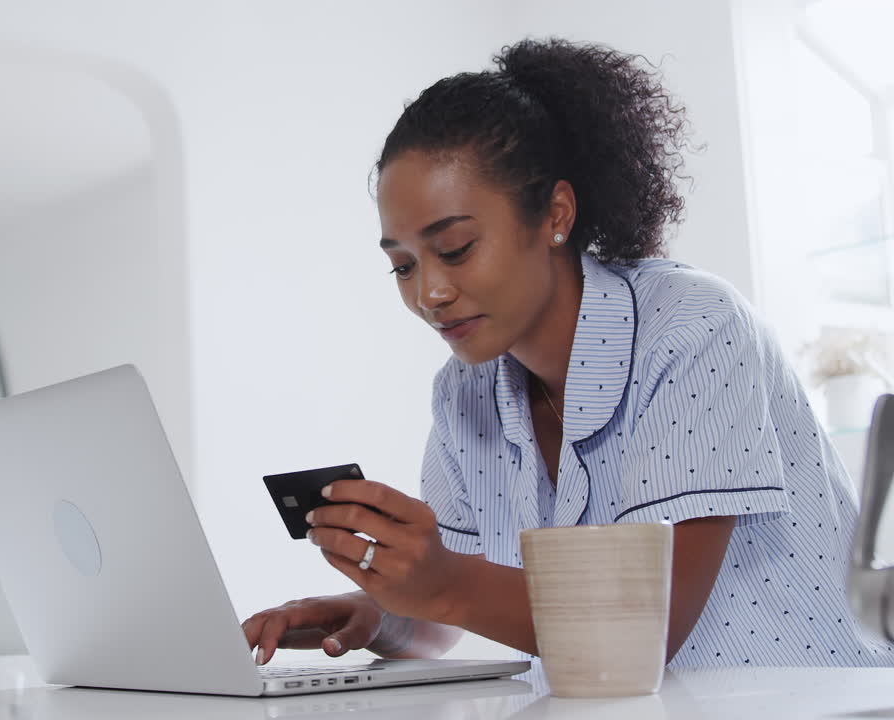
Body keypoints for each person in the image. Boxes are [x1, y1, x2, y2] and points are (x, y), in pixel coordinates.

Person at [241, 37, 894, 668]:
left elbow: (649, 624)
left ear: (555, 213)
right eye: (403, 266)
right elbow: (453, 612)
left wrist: (443, 581)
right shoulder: (465, 391)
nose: (431, 293)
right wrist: (380, 611)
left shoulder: (692, 328)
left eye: (457, 248)